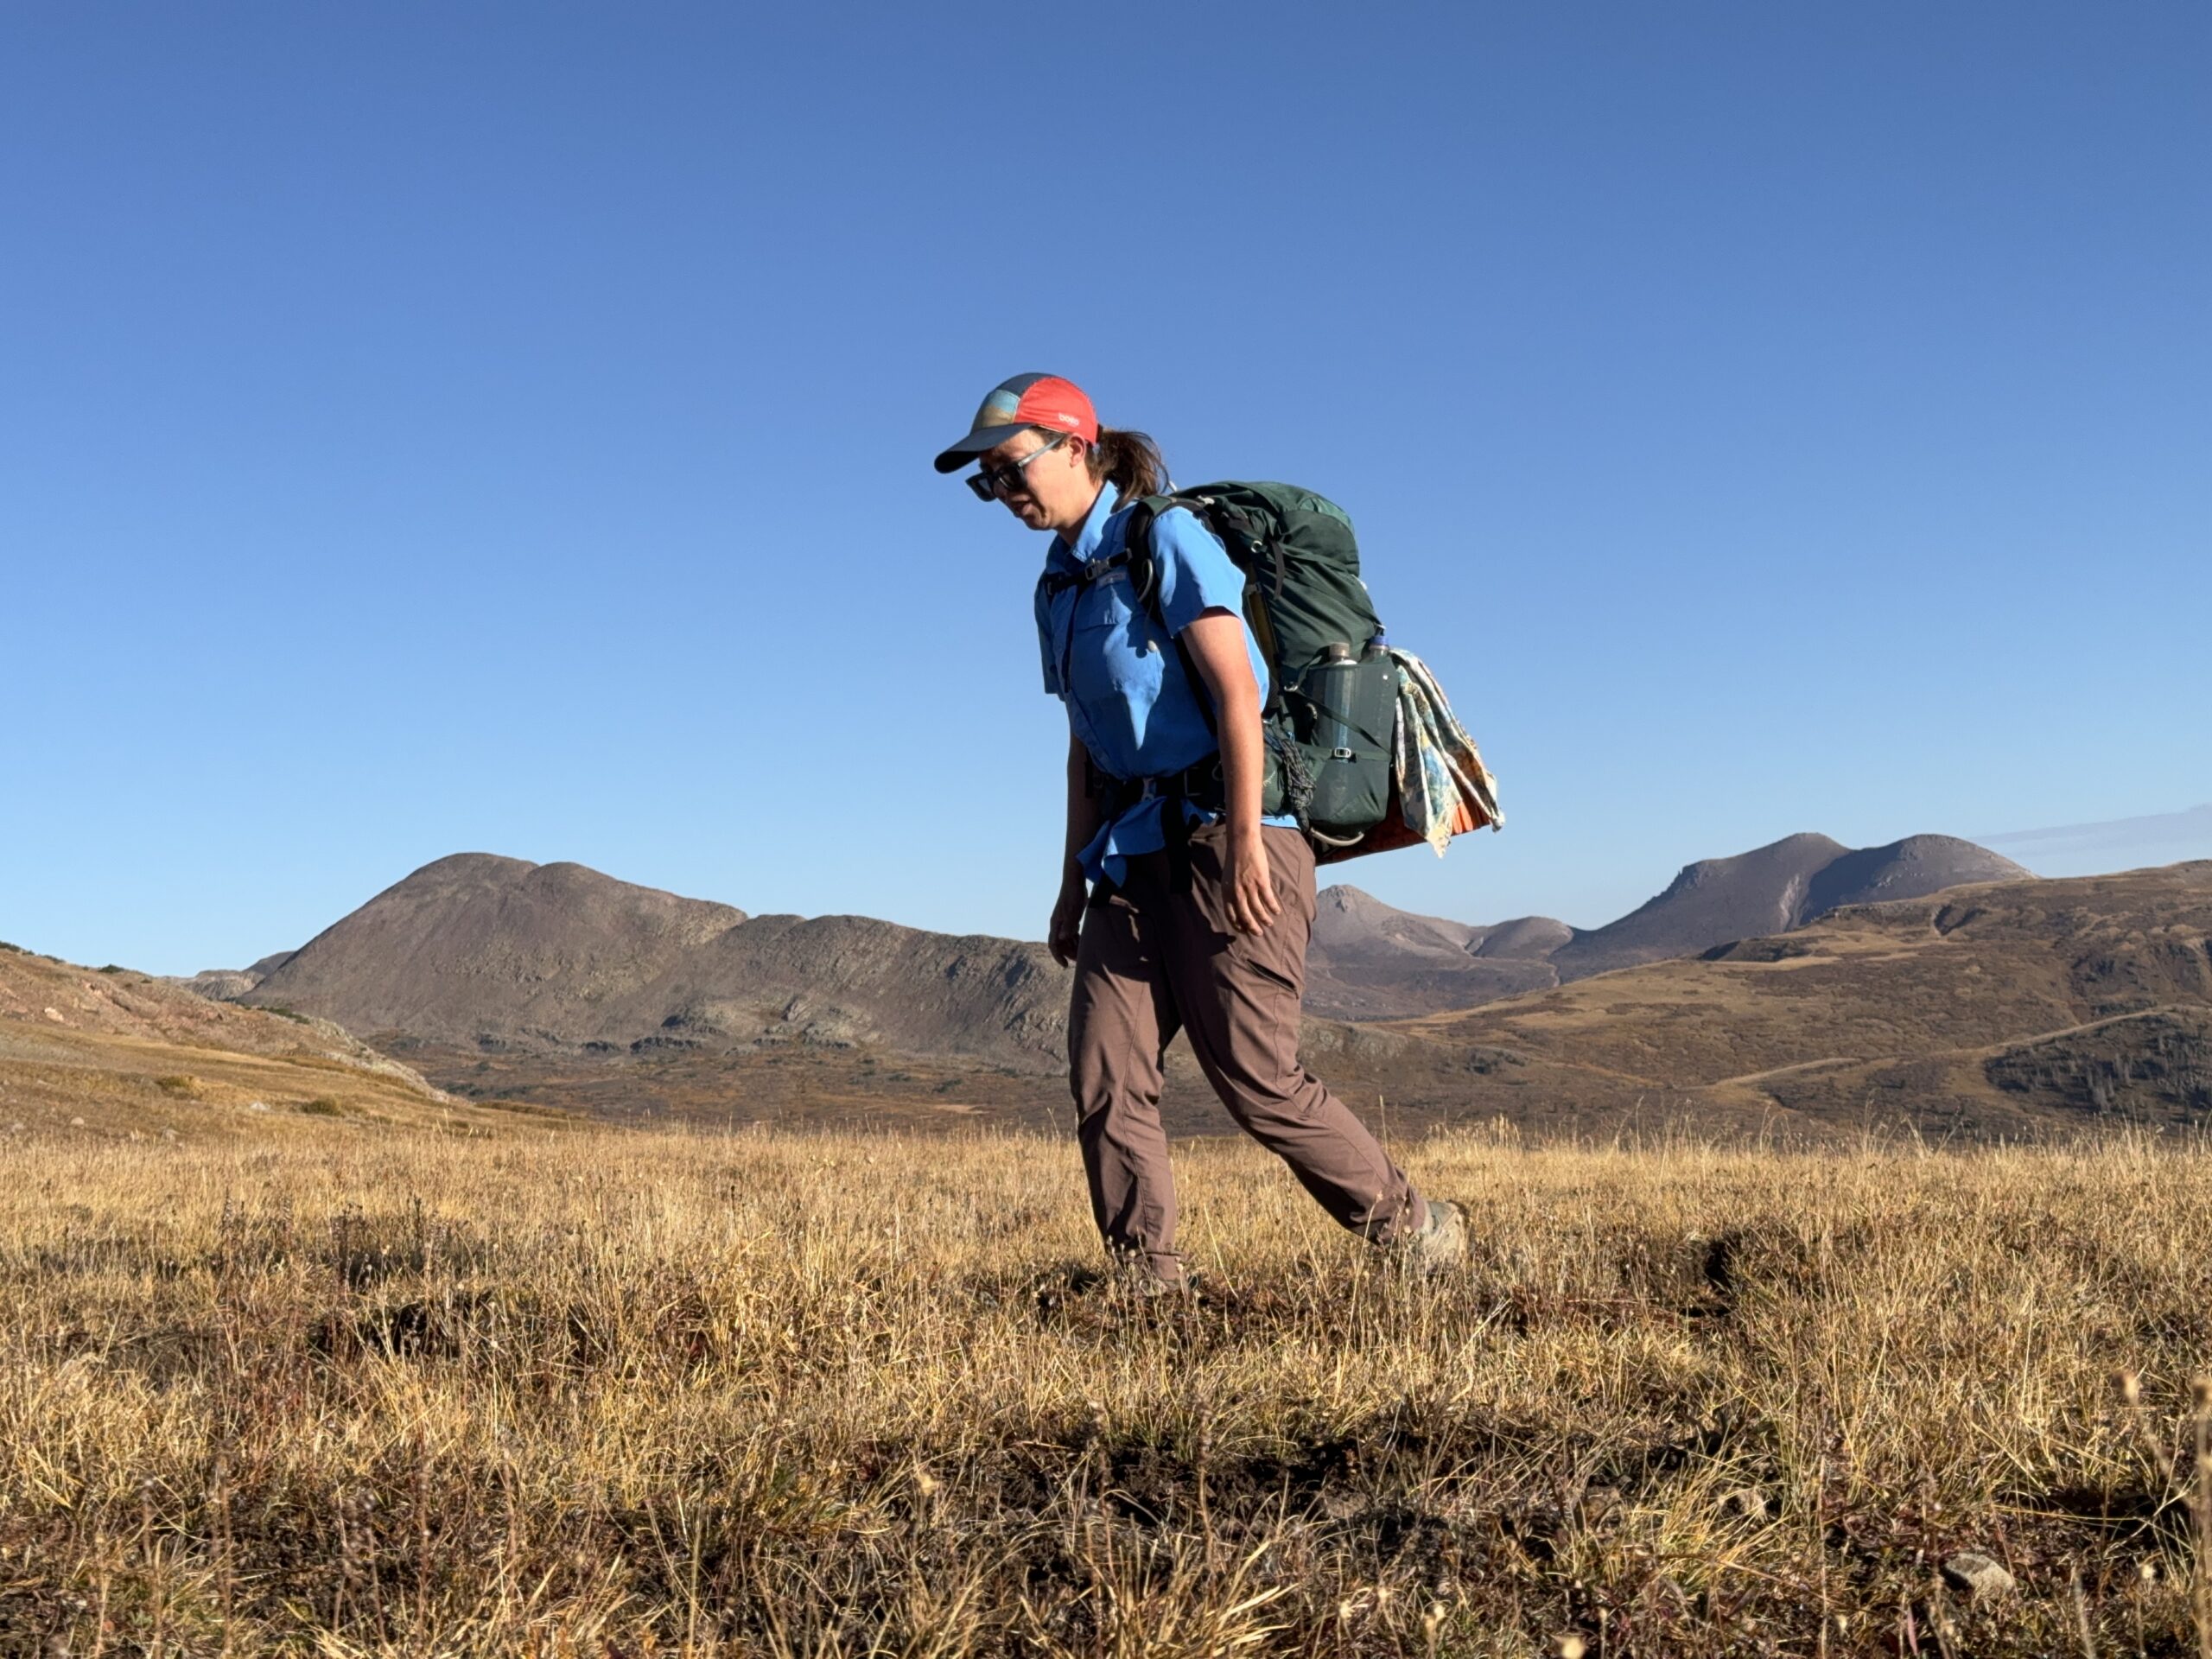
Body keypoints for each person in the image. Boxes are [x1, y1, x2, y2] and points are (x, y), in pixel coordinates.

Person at [933, 372, 1465, 1289]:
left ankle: (1414, 1228)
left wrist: (1253, 839)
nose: (1003, 492)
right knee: (1105, 1073)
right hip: (1129, 853)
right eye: (986, 481)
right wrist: (1068, 884)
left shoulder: (1163, 538)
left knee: (1256, 1079)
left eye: (1012, 466)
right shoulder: (1056, 584)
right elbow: (1083, 752)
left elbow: (1236, 696)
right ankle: (1148, 1280)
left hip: (1230, 836)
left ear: (1074, 446)